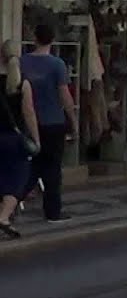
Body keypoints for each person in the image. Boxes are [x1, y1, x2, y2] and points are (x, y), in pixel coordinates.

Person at [21, 20, 76, 223]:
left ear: (34, 38)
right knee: (52, 169)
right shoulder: (57, 65)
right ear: (53, 40)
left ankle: (10, 202)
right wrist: (73, 119)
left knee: (33, 166)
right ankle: (53, 211)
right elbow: (65, 96)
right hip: (53, 122)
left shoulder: (22, 62)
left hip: (29, 123)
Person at [0, 40, 40, 238]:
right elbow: (29, 113)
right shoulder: (22, 83)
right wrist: (36, 139)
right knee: (17, 181)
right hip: (15, 141)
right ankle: (4, 217)